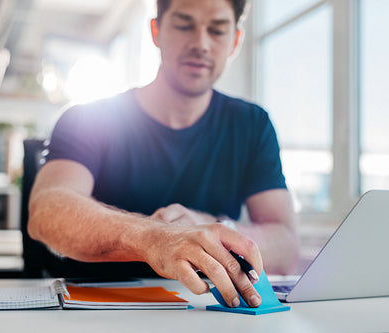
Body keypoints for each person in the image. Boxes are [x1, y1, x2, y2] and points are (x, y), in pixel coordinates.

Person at [28, 0, 299, 309]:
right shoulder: (88, 119)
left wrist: (215, 228)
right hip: (96, 312)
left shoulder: (253, 125)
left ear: (235, 41)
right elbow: (47, 211)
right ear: (156, 31)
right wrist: (153, 238)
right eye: (184, 25)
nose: (200, 43)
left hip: (210, 314)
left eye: (218, 30)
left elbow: (286, 247)